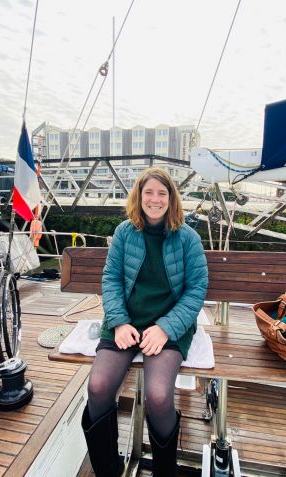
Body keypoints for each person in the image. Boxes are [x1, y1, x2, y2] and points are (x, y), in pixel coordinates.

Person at [81, 167, 208, 477]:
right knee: (97, 387)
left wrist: (167, 327)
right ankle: (108, 471)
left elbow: (196, 290)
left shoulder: (187, 238)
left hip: (168, 325)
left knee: (159, 395)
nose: (154, 199)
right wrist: (120, 321)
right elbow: (110, 279)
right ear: (138, 197)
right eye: (148, 192)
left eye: (162, 193)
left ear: (171, 198)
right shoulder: (125, 232)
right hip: (125, 321)